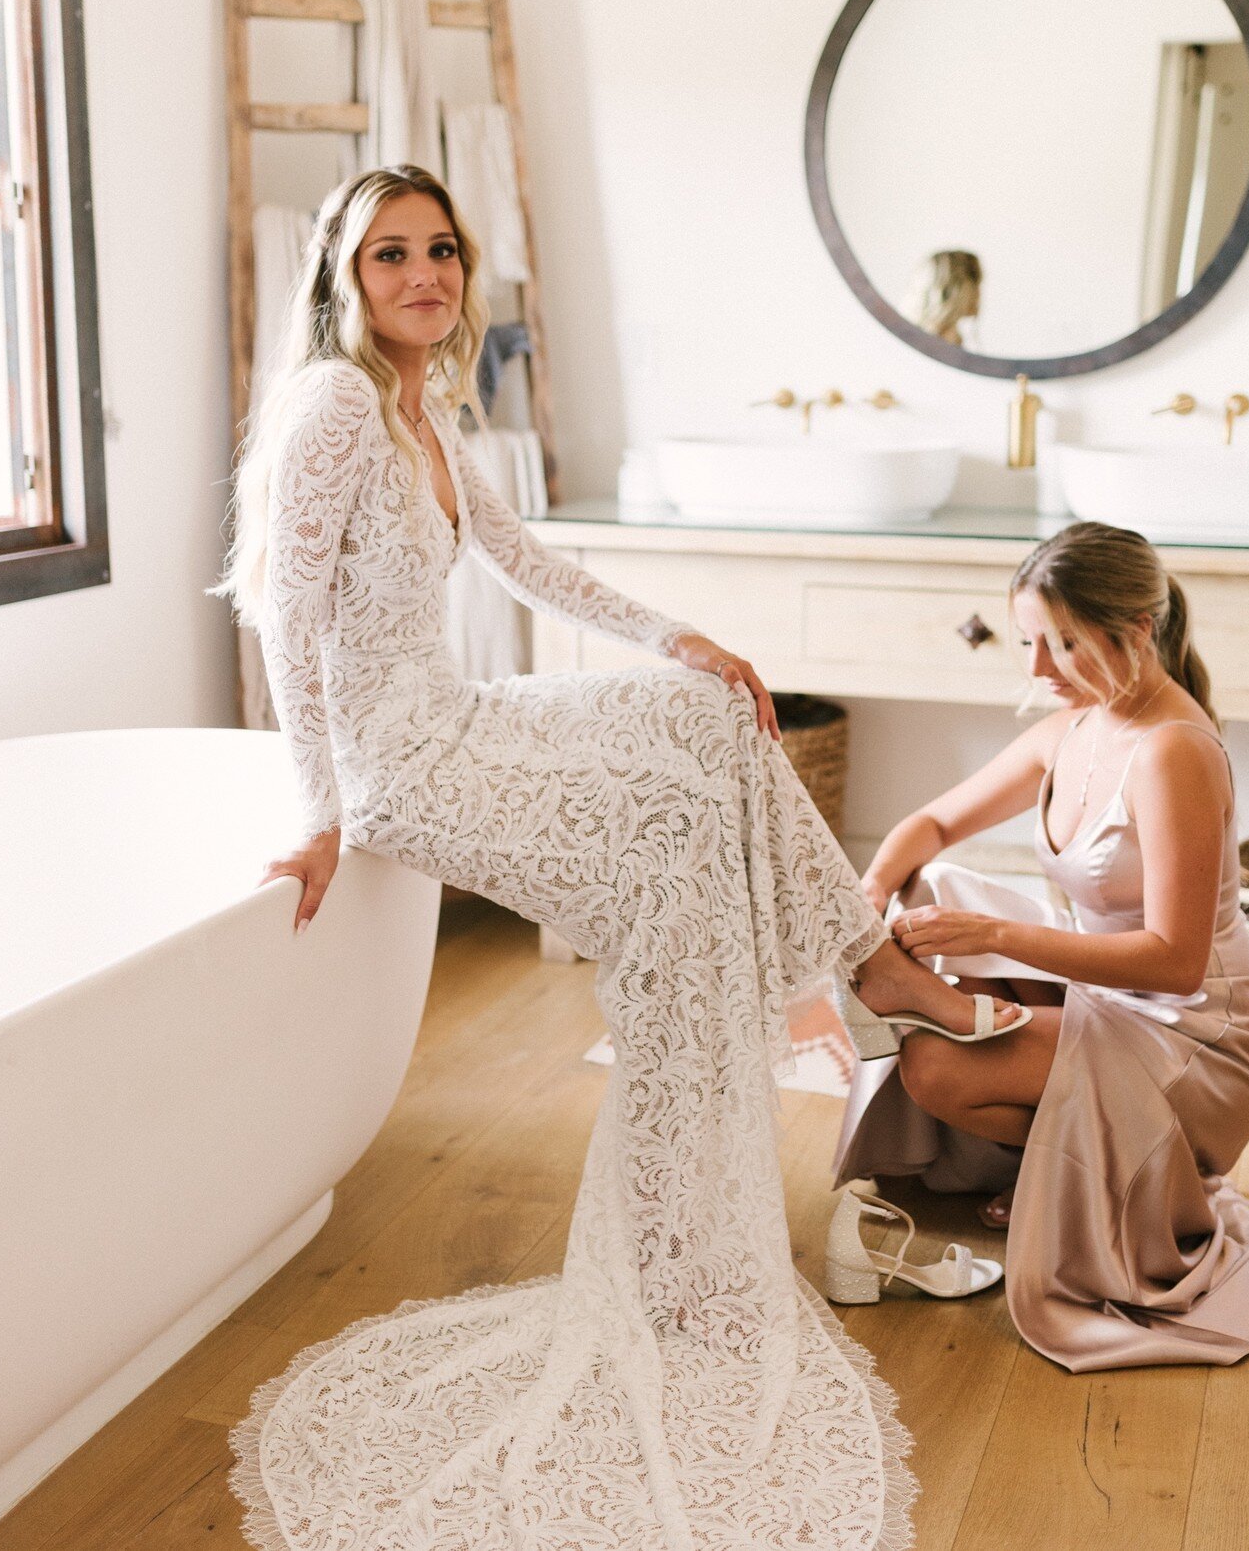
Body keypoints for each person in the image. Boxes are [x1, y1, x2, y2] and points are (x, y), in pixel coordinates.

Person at [212, 163, 995, 1546]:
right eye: (389, 255)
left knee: (706, 724)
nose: (423, 276)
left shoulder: (424, 405)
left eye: (440, 250)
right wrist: (320, 811)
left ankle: (846, 992)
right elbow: (284, 617)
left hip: (459, 715)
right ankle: (822, 1043)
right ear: (344, 277)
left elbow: (527, 563)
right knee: (672, 854)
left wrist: (681, 636)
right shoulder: (337, 402)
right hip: (408, 767)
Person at [833, 521, 1249, 1372]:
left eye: (1064, 644)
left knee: (938, 1063)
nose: (1038, 669)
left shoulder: (1172, 753)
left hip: (1201, 1035)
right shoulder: (1073, 726)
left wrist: (997, 938)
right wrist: (869, 897)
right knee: (941, 908)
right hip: (1116, 1000)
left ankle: (936, 1008)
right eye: (1028, 641)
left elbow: (1176, 963)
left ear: (1137, 631)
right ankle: (1047, 1155)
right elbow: (933, 821)